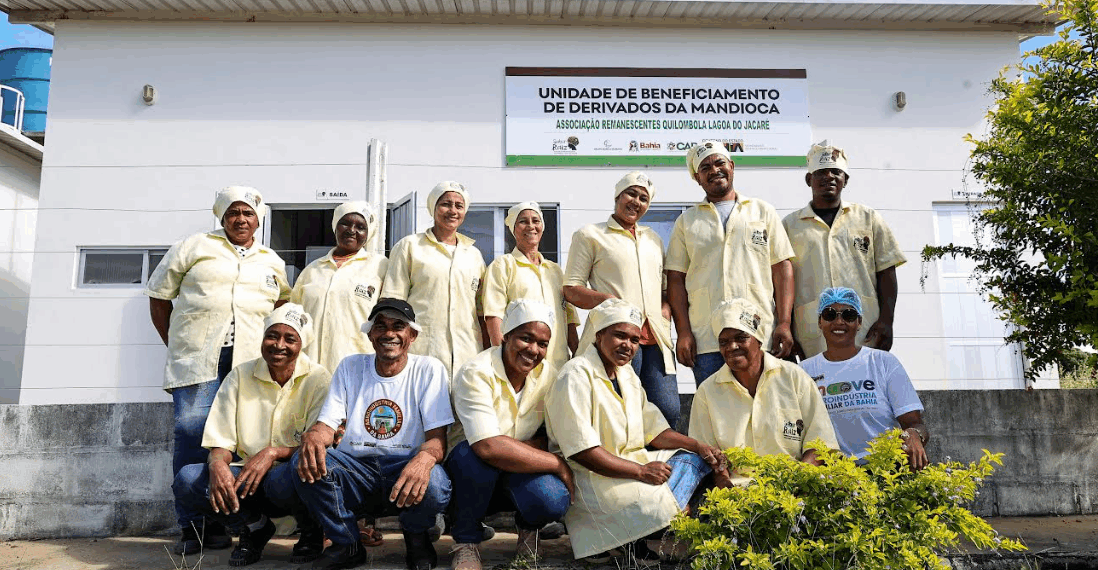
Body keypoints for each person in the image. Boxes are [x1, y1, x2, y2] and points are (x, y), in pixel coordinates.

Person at [146, 186, 291, 554]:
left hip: (249, 364)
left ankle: (236, 521)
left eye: (248, 213)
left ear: (258, 219)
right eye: (233, 213)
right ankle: (194, 526)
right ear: (221, 216)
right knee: (192, 434)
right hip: (199, 360)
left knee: (241, 439)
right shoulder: (194, 247)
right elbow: (159, 297)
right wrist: (177, 345)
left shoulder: (271, 260)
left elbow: (282, 306)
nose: (240, 219)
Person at [545, 298, 724, 562]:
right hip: (594, 478)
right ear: (599, 335)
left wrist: (698, 445)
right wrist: (640, 471)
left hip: (629, 467)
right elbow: (583, 452)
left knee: (698, 461)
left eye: (634, 339)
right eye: (620, 336)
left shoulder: (625, 374)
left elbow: (656, 431)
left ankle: (640, 536)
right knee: (671, 503)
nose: (628, 345)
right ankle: (636, 537)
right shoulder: (575, 375)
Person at [293, 298, 453, 570]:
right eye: (381, 326)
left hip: (403, 467)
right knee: (306, 459)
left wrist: (424, 460)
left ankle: (416, 538)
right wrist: (315, 436)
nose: (389, 333)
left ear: (412, 336)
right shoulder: (350, 366)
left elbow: (437, 440)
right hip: (356, 469)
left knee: (436, 482)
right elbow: (327, 425)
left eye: (398, 326)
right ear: (370, 334)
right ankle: (347, 544)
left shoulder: (429, 369)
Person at [172, 303, 330, 566]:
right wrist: (217, 464)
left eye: (290, 339)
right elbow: (221, 441)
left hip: (292, 479)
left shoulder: (318, 378)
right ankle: (255, 527)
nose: (279, 345)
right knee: (188, 480)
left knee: (300, 469)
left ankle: (311, 530)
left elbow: (319, 443)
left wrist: (272, 453)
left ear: (302, 344)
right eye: (272, 336)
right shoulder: (240, 375)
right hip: (247, 479)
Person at [447, 300, 575, 570]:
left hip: (518, 467)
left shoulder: (549, 376)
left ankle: (528, 531)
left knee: (553, 498)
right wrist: (557, 464)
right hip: (471, 473)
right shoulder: (476, 372)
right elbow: (487, 446)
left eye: (542, 344)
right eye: (526, 338)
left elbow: (549, 436)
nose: (534, 350)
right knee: (471, 457)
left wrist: (513, 449)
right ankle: (466, 541)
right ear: (506, 335)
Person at [666, 142, 796, 387]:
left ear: (732, 167)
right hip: (707, 340)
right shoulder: (687, 222)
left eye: (720, 163)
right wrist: (683, 331)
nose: (714, 170)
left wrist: (784, 323)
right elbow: (675, 279)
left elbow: (782, 268)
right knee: (715, 406)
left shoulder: (762, 212)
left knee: (767, 402)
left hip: (759, 332)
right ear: (697, 178)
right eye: (705, 167)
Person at [563, 172, 680, 428]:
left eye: (643, 198)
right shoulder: (590, 235)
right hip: (616, 337)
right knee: (618, 410)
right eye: (631, 194)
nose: (636, 202)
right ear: (618, 196)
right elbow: (571, 289)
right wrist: (608, 301)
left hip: (655, 339)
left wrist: (664, 309)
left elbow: (663, 289)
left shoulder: (653, 239)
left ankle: (658, 454)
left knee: (668, 411)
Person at [689, 298, 838, 488]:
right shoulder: (707, 392)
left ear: (759, 339)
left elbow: (820, 442)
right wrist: (726, 488)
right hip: (736, 492)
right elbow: (708, 456)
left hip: (793, 489)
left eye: (741, 338)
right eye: (724, 342)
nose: (732, 347)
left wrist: (796, 484)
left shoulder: (794, 377)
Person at [782, 142, 907, 358]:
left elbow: (887, 271)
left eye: (836, 172)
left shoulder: (868, 218)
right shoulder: (789, 226)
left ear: (845, 180)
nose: (829, 176)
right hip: (811, 334)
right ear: (809, 179)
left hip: (865, 330)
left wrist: (887, 321)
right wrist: (789, 330)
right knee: (817, 380)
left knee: (865, 378)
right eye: (821, 172)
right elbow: (782, 284)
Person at [800, 287, 929, 469]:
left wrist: (914, 435)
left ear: (859, 322)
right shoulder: (803, 371)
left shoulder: (884, 362)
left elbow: (915, 423)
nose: (839, 321)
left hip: (884, 470)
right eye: (830, 315)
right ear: (820, 322)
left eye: (849, 315)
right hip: (832, 475)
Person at [384, 181, 487, 379]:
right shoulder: (410, 247)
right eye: (446, 204)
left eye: (459, 206)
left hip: (468, 354)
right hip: (422, 352)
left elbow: (482, 310)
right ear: (433, 208)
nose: (453, 211)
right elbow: (392, 304)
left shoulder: (474, 255)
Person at [292, 201, 389, 374]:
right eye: (345, 223)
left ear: (368, 234)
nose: (351, 230)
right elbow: (294, 318)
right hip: (309, 369)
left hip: (358, 369)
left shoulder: (380, 267)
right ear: (335, 226)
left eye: (360, 227)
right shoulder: (311, 270)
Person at [482, 202, 578, 370]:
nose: (531, 226)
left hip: (558, 366)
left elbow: (569, 320)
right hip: (521, 366)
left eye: (536, 221)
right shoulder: (502, 266)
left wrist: (577, 356)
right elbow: (494, 317)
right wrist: (504, 362)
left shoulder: (555, 271)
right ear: (513, 229)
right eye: (523, 221)